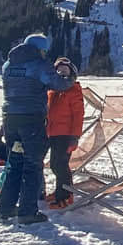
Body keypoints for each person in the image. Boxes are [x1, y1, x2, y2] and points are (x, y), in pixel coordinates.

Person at [0, 32, 78, 225]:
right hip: (31, 120)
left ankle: (5, 208)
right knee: (33, 165)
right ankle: (28, 211)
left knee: (14, 163)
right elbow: (58, 83)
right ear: (40, 50)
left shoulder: (8, 65)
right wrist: (71, 78)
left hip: (10, 118)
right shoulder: (38, 64)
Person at [45, 56, 85, 208]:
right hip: (52, 133)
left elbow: (78, 116)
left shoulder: (73, 90)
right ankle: (60, 191)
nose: (61, 74)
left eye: (65, 71)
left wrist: (74, 137)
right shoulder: (53, 91)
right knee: (56, 164)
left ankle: (65, 196)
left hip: (66, 135)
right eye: (58, 71)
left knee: (59, 165)